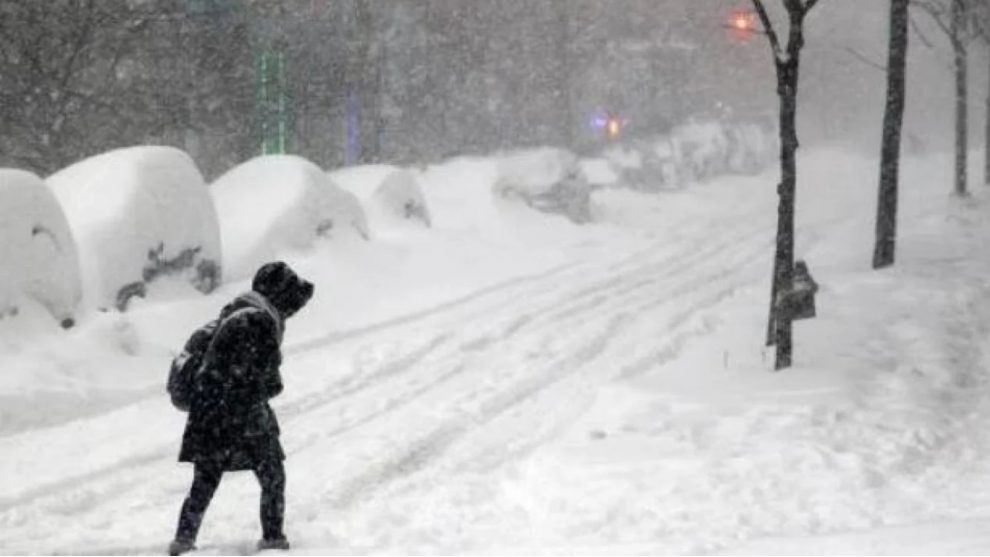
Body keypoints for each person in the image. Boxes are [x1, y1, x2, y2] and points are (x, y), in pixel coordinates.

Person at [169, 261, 314, 556]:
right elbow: (271, 383)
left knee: (205, 481)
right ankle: (273, 540)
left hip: (208, 415)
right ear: (279, 296)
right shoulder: (260, 322)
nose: (290, 313)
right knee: (272, 474)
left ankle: (183, 542)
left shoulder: (232, 313)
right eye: (289, 304)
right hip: (242, 414)